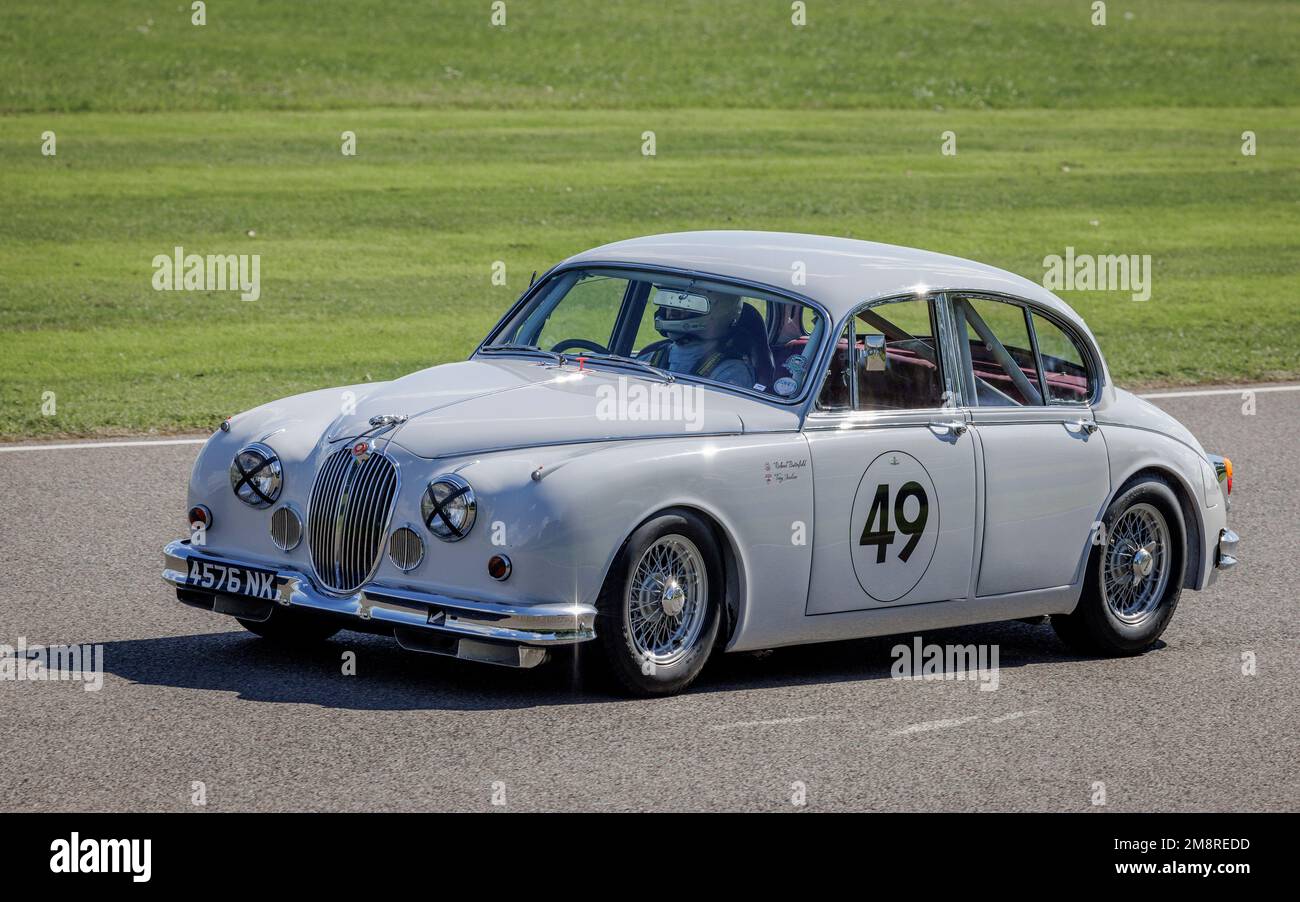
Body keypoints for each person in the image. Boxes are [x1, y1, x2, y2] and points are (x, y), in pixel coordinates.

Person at [641, 289, 755, 389]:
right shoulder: (651, 359)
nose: (672, 309)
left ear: (717, 311)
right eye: (671, 299)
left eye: (688, 302)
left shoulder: (731, 372)